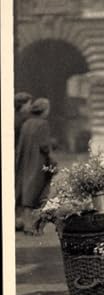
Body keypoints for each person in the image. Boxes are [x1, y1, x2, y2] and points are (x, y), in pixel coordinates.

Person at [16, 98, 56, 235]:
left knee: (27, 192)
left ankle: (27, 225)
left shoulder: (27, 123)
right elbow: (45, 146)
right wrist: (52, 160)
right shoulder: (43, 124)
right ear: (44, 110)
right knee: (40, 192)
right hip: (39, 162)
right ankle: (34, 226)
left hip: (26, 161)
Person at [15, 92, 32, 230]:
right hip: (19, 156)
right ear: (22, 105)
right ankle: (18, 219)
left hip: (18, 154)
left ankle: (17, 218)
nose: (30, 106)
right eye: (28, 104)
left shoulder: (18, 118)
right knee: (20, 186)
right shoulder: (22, 120)